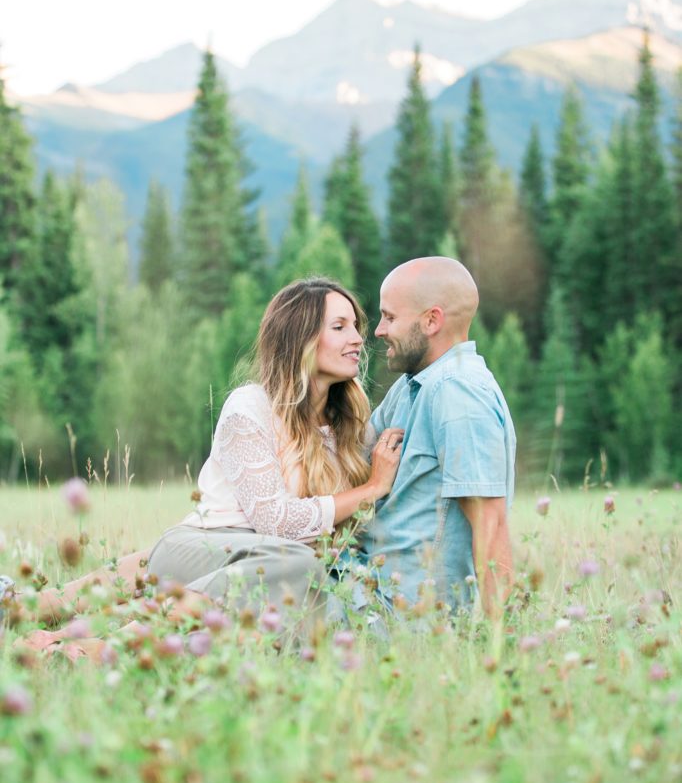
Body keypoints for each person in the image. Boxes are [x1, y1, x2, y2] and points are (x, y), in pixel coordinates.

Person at [11, 278, 403, 642]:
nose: (357, 339)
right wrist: (371, 489)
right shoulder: (250, 407)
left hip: (266, 568)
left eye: (356, 326)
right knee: (296, 565)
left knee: (299, 580)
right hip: (203, 549)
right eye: (339, 327)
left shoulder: (351, 425)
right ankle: (80, 643)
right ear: (300, 338)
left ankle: (42, 617)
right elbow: (275, 522)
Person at [360, 256, 516, 620]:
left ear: (431, 321)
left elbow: (490, 523)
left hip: (403, 612)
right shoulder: (413, 385)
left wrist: (499, 648)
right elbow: (349, 454)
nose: (379, 330)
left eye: (390, 317)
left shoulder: (457, 392)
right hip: (365, 584)